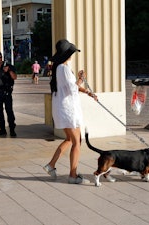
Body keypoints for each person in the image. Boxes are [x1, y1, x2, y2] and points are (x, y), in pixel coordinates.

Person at [43, 39, 97, 184]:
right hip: (68, 109)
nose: (72, 55)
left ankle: (51, 165)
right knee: (77, 142)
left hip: (63, 108)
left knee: (69, 140)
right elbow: (72, 88)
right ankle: (73, 176)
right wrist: (80, 79)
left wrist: (87, 91)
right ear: (67, 54)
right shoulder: (64, 68)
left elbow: (70, 87)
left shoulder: (58, 68)